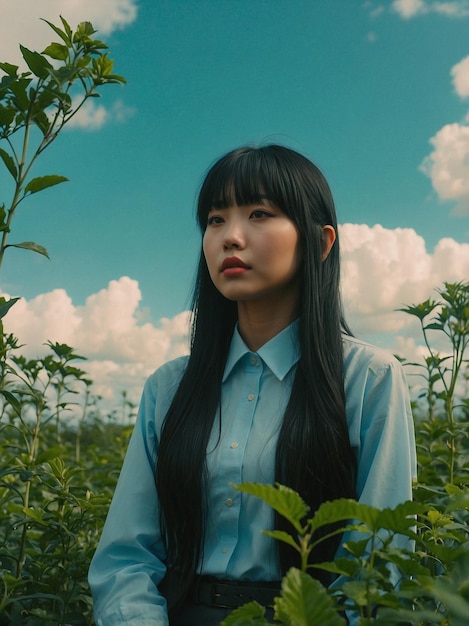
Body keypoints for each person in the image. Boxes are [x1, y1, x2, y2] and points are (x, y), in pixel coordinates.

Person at [88, 144, 417, 626]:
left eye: (259, 213)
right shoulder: (170, 387)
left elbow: (378, 568)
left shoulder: (368, 379)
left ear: (321, 242)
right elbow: (125, 557)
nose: (230, 237)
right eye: (215, 219)